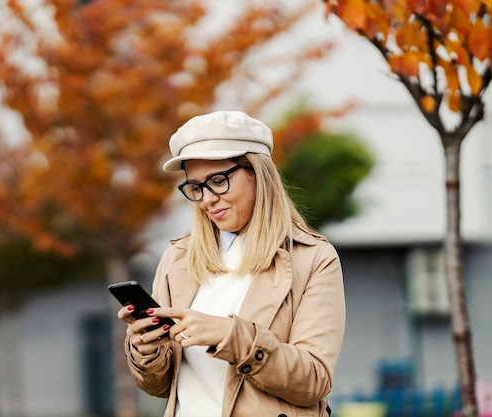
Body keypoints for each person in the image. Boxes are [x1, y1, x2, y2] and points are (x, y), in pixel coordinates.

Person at [116, 110, 346, 417]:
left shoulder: (313, 258)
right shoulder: (178, 259)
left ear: (257, 173)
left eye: (218, 180)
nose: (206, 199)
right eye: (195, 187)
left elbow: (314, 380)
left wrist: (229, 335)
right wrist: (147, 350)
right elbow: (161, 386)